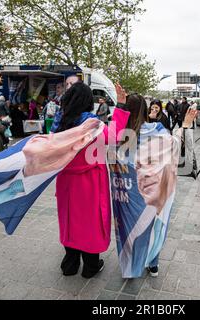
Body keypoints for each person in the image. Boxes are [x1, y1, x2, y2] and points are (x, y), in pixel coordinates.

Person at [113, 88, 197, 278]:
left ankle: (131, 261)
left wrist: (119, 106)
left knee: (129, 226)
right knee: (154, 225)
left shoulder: (118, 134)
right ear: (145, 110)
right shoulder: (155, 129)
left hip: (126, 192)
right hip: (150, 192)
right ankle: (152, 262)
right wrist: (184, 125)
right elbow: (174, 144)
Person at [55, 82, 130, 279]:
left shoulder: (60, 122)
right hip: (90, 181)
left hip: (66, 181)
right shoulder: (92, 124)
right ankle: (90, 265)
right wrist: (121, 106)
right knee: (91, 222)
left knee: (69, 219)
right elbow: (115, 137)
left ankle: (69, 264)